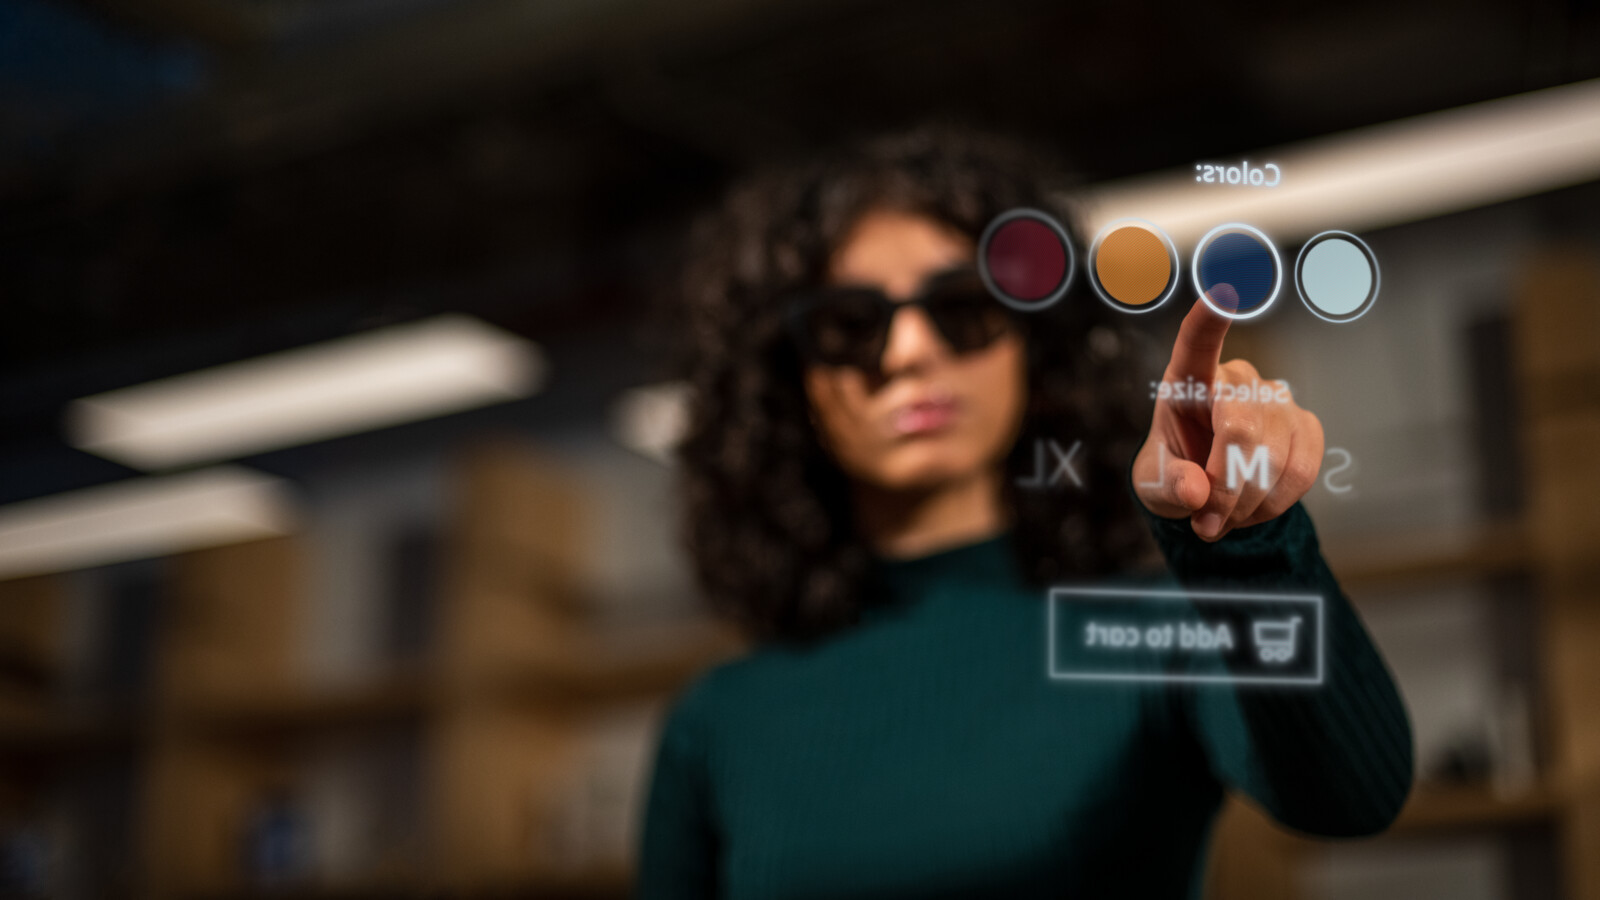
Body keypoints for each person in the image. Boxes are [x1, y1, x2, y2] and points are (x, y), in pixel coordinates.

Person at [636, 128, 1413, 899]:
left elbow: (1351, 797)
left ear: (1034, 351)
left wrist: (1247, 543)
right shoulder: (720, 721)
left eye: (964, 308)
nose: (908, 352)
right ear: (793, 385)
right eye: (849, 325)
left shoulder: (1151, 639)